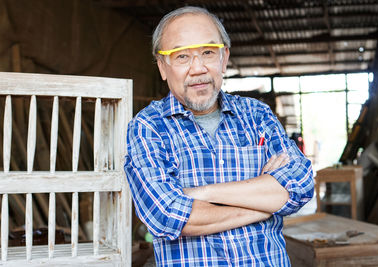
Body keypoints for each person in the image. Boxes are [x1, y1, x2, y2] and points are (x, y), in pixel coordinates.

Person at [124, 6, 314, 266]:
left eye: (208, 52)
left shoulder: (257, 115)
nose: (198, 68)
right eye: (181, 57)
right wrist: (266, 202)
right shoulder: (149, 127)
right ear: (162, 67)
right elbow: (166, 215)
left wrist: (199, 193)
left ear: (224, 59)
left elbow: (300, 186)